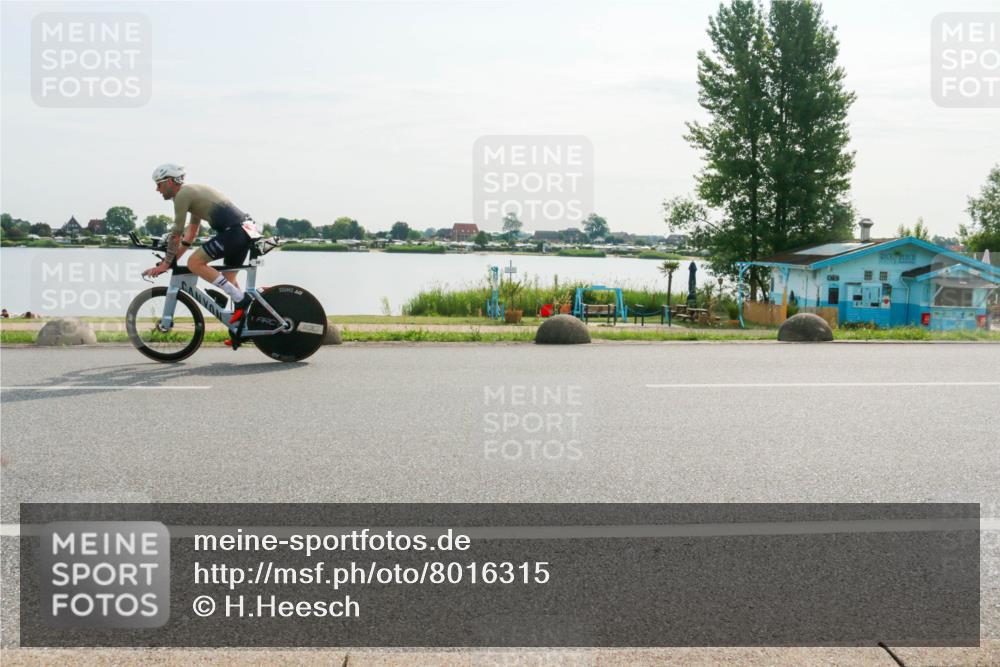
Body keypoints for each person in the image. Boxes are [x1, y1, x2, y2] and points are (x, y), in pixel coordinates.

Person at [143, 164, 260, 344]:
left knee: (194, 263)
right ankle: (243, 329)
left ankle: (241, 299)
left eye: (159, 184)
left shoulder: (182, 195)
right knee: (229, 280)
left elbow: (176, 233)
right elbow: (190, 235)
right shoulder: (191, 194)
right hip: (243, 230)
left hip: (235, 231)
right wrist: (172, 261)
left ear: (170, 182)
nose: (157, 189)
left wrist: (166, 263)